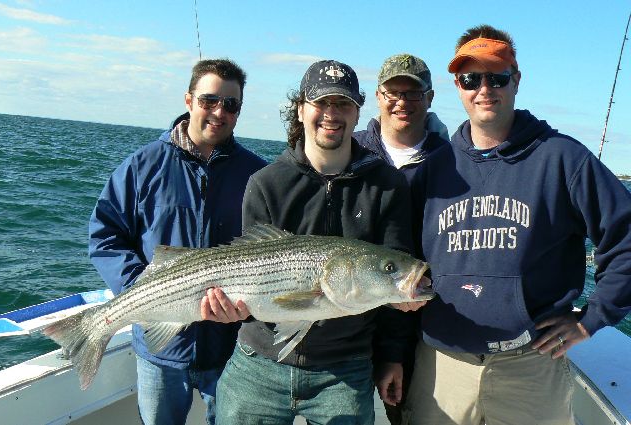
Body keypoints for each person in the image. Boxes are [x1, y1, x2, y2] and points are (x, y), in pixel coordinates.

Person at [403, 24, 631, 425]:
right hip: (441, 365)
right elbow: (401, 255)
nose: (484, 89)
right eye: (471, 79)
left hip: (532, 367)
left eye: (498, 77)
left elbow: (626, 237)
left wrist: (592, 319)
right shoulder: (432, 169)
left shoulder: (564, 159)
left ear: (517, 80)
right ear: (457, 85)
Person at [200, 59, 422, 424]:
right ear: (300, 109)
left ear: (357, 112)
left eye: (343, 104)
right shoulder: (266, 182)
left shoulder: (387, 185)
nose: (331, 114)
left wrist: (392, 356)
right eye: (321, 103)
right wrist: (231, 309)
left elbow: (394, 271)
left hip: (345, 370)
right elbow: (248, 275)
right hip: (259, 363)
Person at [88, 59, 267, 425]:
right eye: (208, 100)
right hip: (161, 348)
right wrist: (145, 288)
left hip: (232, 348)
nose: (219, 112)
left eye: (230, 104)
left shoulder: (258, 176)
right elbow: (105, 235)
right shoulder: (143, 165)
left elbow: (271, 253)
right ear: (189, 100)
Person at [352, 53, 449, 424]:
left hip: (417, 318)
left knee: (405, 412)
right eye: (393, 92)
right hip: (349, 316)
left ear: (430, 98)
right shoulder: (352, 151)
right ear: (378, 96)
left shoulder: (451, 160)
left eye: (413, 93)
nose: (402, 102)